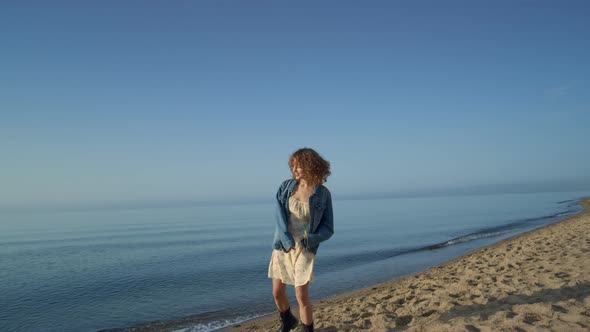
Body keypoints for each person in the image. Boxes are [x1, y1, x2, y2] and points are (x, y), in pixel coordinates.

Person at [268, 147, 334, 332]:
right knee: (277, 292)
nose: (294, 169)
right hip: (283, 244)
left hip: (306, 248)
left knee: (301, 295)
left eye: (299, 166)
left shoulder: (322, 194)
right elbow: (279, 217)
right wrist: (287, 241)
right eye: (293, 166)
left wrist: (312, 239)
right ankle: (288, 320)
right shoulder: (285, 188)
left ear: (311, 166)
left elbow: (328, 228)